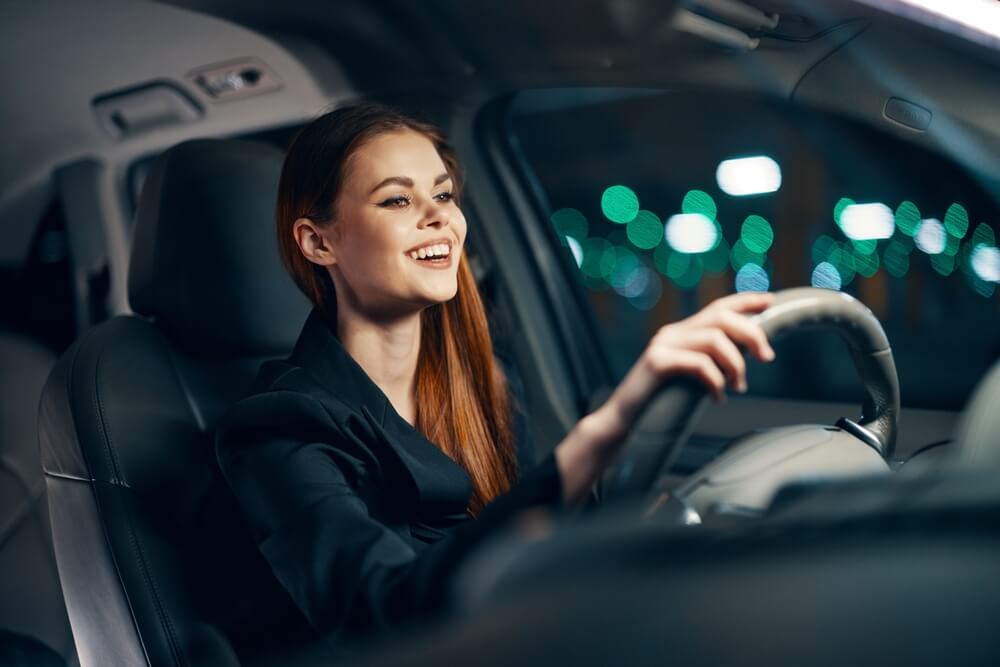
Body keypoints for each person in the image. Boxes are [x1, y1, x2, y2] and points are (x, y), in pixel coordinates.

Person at [215, 102, 776, 645]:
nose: (438, 216)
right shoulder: (276, 427)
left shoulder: (487, 385)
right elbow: (383, 612)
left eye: (442, 194)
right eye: (395, 201)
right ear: (319, 242)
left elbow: (529, 548)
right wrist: (607, 428)